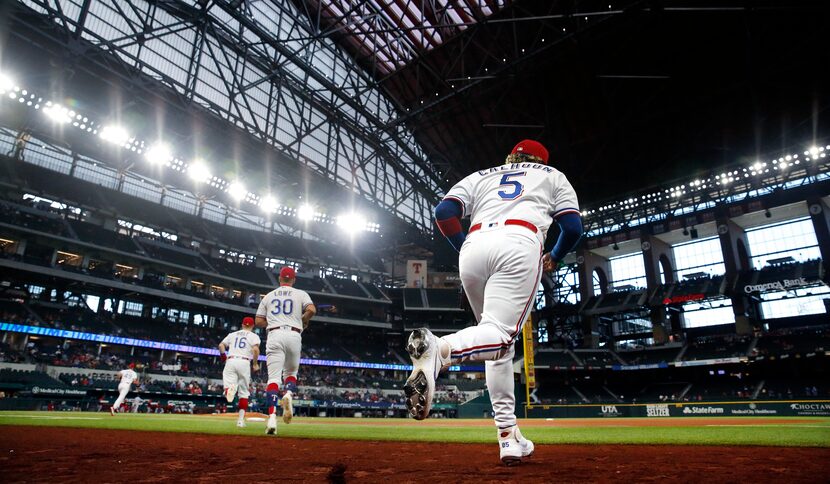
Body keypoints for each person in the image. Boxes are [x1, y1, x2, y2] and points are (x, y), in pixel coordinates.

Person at [405, 139, 583, 465]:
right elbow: (572, 227)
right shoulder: (552, 175)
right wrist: (554, 256)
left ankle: (508, 436)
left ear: (511, 156)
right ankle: (439, 352)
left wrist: (464, 245)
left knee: (497, 344)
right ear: (540, 160)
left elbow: (444, 212)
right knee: (500, 336)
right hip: (519, 242)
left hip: (474, 246)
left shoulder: (481, 175)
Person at [255, 266, 316, 435]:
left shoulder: (269, 296)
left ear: (280, 279)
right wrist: (303, 319)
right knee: (290, 374)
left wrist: (274, 321)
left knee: (273, 379)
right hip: (294, 334)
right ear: (294, 280)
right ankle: (289, 393)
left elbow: (258, 321)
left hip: (274, 334)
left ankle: (272, 418)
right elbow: (311, 310)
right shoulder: (300, 293)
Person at [218, 316, 261, 428]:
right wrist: (255, 364)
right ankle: (240, 421)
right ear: (252, 326)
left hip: (231, 360)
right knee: (244, 393)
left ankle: (229, 390)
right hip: (244, 362)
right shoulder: (254, 336)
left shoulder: (232, 334)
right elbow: (255, 350)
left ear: (242, 325)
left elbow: (221, 345)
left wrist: (223, 357)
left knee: (229, 384)